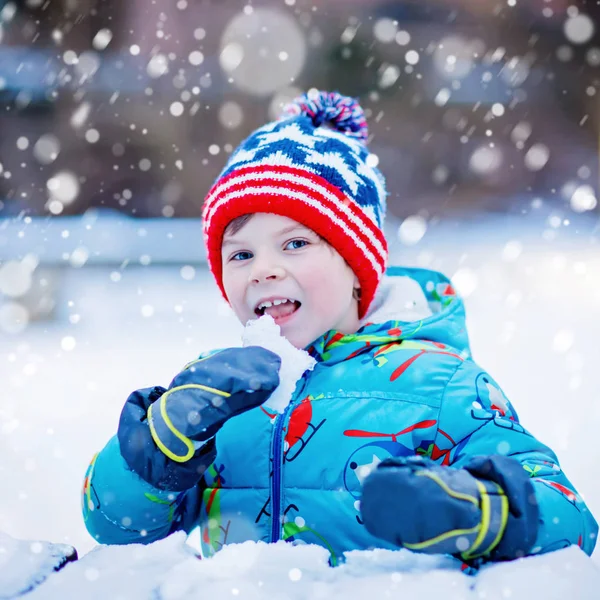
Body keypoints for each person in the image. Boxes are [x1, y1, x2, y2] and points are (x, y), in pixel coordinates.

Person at [82, 90, 597, 567]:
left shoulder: (440, 384)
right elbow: (116, 528)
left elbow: (573, 526)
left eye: (294, 244)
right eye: (240, 253)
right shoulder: (215, 395)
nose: (262, 269)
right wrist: (153, 449)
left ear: (356, 266)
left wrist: (474, 512)